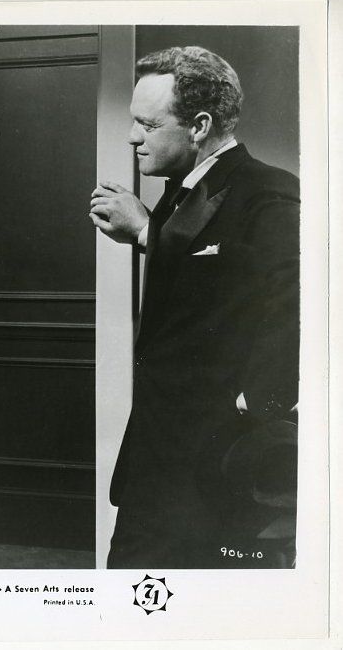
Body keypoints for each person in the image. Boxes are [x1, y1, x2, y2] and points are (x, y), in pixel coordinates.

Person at [90, 46, 299, 568]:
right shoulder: (179, 193)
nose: (132, 137)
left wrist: (146, 233)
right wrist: (153, 232)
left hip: (217, 469)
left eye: (147, 124)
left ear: (200, 125)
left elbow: (289, 302)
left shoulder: (269, 191)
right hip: (158, 465)